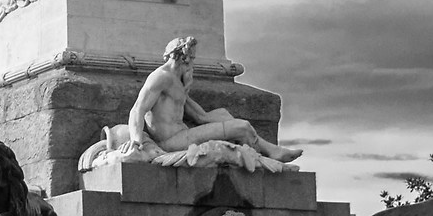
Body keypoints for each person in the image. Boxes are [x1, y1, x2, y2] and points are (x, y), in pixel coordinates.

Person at [125, 35, 302, 162]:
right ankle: (272, 152)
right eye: (192, 58)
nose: (193, 63)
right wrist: (135, 140)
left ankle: (267, 150)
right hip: (172, 142)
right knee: (242, 126)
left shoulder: (177, 83)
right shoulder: (161, 77)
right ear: (184, 58)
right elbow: (137, 109)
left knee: (227, 116)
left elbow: (201, 117)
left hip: (181, 135)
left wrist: (225, 120)